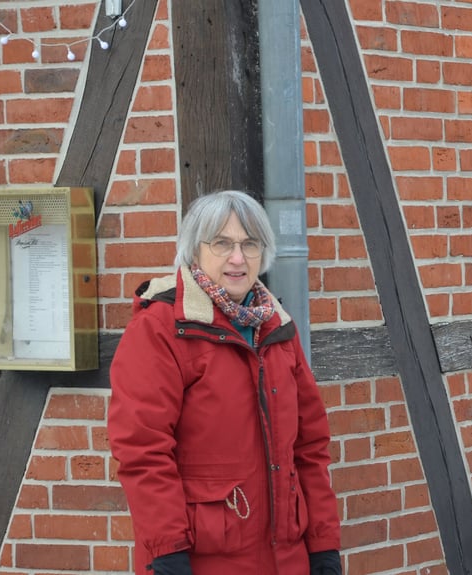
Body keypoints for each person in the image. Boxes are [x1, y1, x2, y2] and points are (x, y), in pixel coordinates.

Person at [108, 190, 342, 575]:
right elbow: (142, 449)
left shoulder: (277, 328)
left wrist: (323, 545)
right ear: (194, 250)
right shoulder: (161, 328)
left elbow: (310, 447)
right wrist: (167, 552)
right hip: (202, 560)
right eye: (221, 243)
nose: (238, 258)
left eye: (250, 244)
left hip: (287, 559)